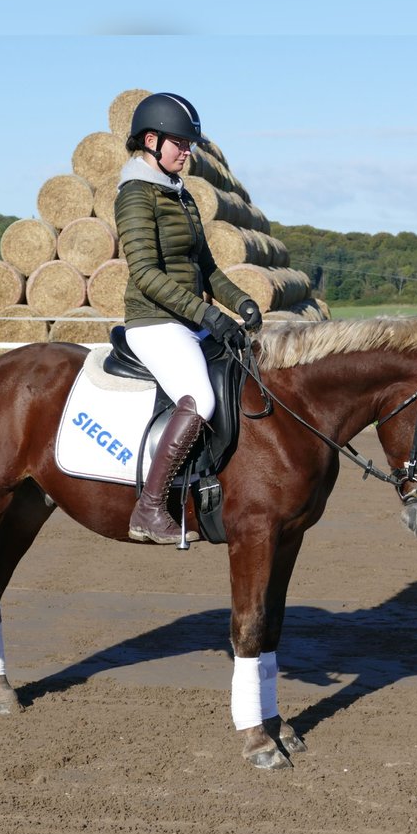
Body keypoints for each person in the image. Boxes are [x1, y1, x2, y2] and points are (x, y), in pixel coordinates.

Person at [114, 92, 263, 544]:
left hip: (188, 319)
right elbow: (143, 273)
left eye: (189, 144)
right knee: (199, 397)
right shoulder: (135, 194)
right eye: (180, 143)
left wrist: (241, 303)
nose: (187, 151)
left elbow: (208, 269)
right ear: (152, 141)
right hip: (154, 322)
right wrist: (206, 315)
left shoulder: (182, 196)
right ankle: (150, 508)